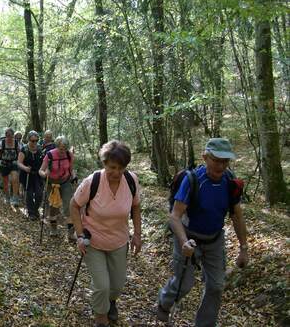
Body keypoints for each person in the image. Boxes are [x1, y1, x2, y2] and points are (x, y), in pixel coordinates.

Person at [157, 138, 249, 327]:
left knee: (216, 286)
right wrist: (183, 242)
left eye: (225, 161)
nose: (221, 165)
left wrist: (244, 248)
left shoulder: (230, 182)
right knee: (184, 284)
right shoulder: (192, 181)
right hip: (188, 236)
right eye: (216, 160)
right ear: (205, 157)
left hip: (214, 239)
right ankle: (164, 303)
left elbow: (237, 216)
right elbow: (175, 216)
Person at [70, 140, 142, 327]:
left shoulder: (131, 180)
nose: (116, 172)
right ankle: (100, 317)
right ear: (104, 163)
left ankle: (111, 303)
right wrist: (79, 235)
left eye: (121, 168)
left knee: (116, 286)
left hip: (119, 241)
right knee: (102, 285)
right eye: (112, 167)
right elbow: (74, 205)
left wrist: (137, 235)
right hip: (93, 241)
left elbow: (135, 207)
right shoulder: (92, 181)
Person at [39, 135, 76, 237]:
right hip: (52, 183)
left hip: (65, 182)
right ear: (57, 146)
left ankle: (71, 233)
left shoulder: (69, 155)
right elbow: (41, 170)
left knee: (69, 205)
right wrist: (44, 174)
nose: (62, 151)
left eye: (65, 148)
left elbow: (71, 169)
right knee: (54, 206)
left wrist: (74, 176)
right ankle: (53, 229)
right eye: (61, 148)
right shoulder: (50, 155)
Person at [17, 131, 44, 220]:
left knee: (39, 194)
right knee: (28, 193)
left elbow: (44, 161)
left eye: (36, 140)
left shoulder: (40, 148)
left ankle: (35, 209)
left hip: (37, 175)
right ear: (28, 140)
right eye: (32, 141)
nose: (35, 142)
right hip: (27, 175)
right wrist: (25, 168)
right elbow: (19, 163)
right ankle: (31, 212)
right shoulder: (24, 149)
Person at [0, 128, 21, 206]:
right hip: (4, 163)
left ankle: (15, 198)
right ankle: (7, 196)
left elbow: (20, 153)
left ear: (13, 136)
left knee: (15, 179)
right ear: (5, 135)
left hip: (13, 162)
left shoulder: (17, 143)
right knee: (5, 182)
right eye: (7, 135)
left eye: (10, 136)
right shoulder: (2, 142)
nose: (9, 137)